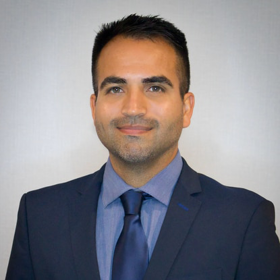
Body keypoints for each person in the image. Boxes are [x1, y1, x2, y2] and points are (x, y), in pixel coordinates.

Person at [6, 14, 280, 280]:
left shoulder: (245, 218)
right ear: (94, 106)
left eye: (155, 88)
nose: (133, 108)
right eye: (115, 88)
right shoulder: (38, 215)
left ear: (186, 108)